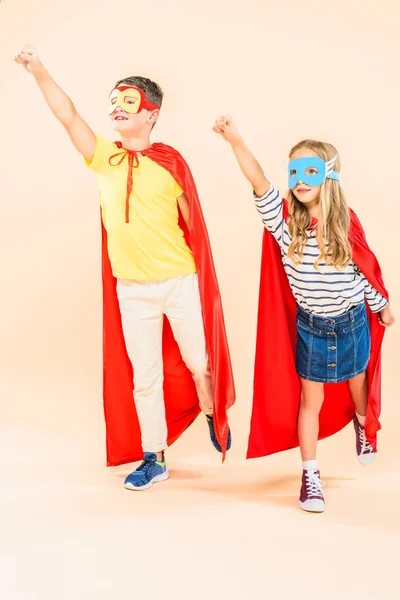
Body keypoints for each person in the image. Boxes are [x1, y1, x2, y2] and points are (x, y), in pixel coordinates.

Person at [14, 45, 235, 491]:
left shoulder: (170, 165)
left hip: (179, 282)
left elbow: (195, 229)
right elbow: (70, 117)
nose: (117, 107)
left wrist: (201, 279)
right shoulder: (104, 157)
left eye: (128, 101)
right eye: (114, 100)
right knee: (145, 378)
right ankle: (154, 456)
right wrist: (38, 70)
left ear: (151, 114)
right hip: (133, 290)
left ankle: (211, 408)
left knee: (199, 363)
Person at [214, 115, 394, 512]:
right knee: (309, 401)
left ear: (328, 176)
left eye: (309, 171)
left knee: (357, 384)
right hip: (311, 328)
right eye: (294, 171)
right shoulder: (284, 225)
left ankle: (364, 426)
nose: (299, 179)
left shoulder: (345, 224)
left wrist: (381, 306)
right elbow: (259, 182)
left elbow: (362, 271)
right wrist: (237, 141)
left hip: (352, 323)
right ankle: (310, 475)